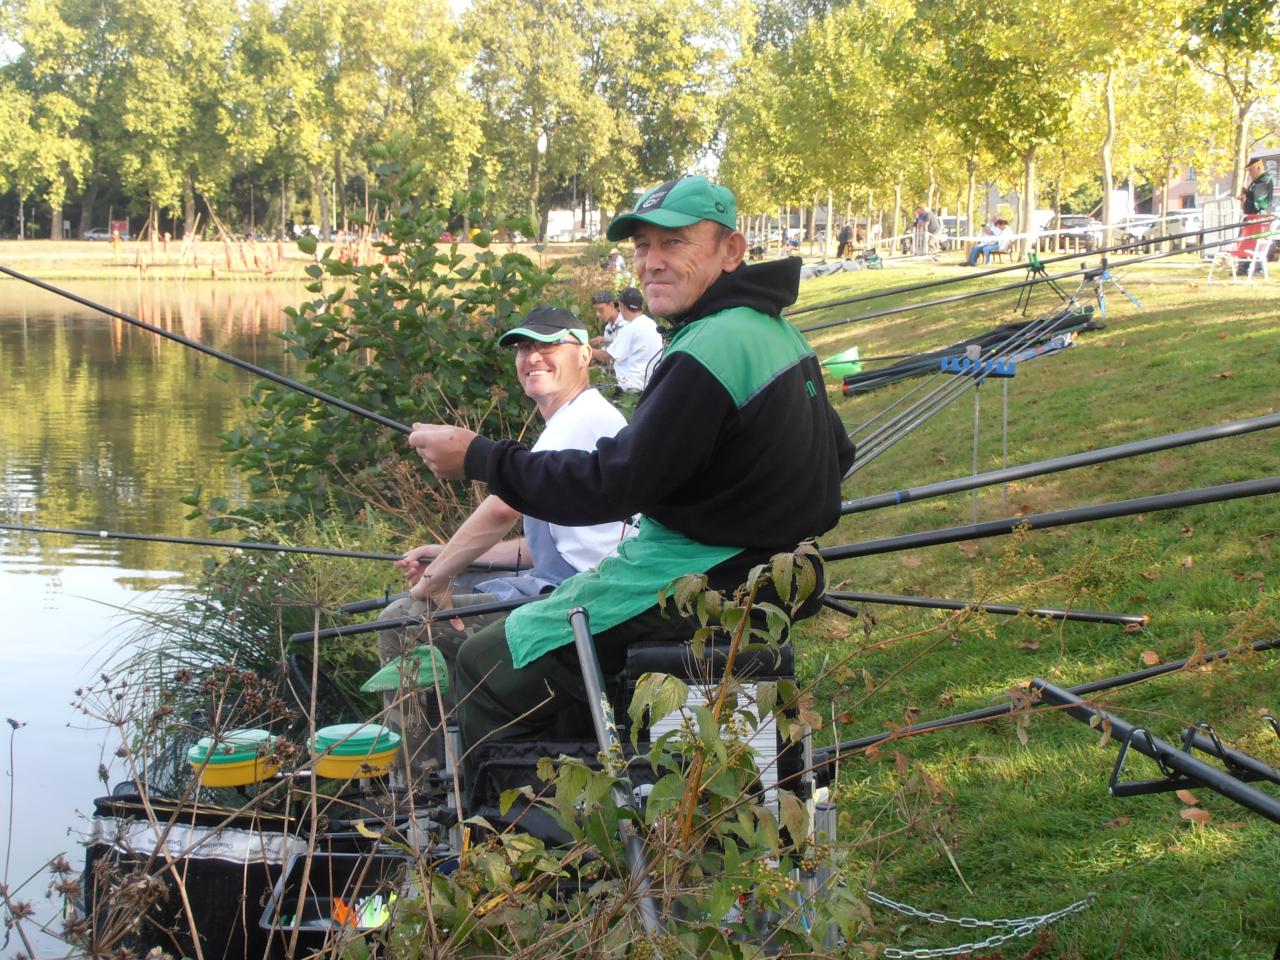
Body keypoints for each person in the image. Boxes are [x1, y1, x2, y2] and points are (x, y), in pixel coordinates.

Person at [407, 175, 856, 768]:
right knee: (548, 641)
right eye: (644, 246)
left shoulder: (708, 347)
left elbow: (612, 485)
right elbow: (840, 453)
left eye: (674, 243)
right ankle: (603, 787)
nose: (652, 263)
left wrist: (480, 458)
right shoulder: (774, 330)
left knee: (486, 663)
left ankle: (526, 840)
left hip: (699, 578)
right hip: (774, 572)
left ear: (731, 250)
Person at [379, 306, 634, 782]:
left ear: (584, 354)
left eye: (547, 345)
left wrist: (437, 578)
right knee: (456, 592)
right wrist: (448, 552)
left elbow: (502, 508)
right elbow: (541, 547)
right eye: (523, 348)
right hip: (569, 585)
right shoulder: (578, 417)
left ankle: (420, 783)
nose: (532, 357)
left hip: (585, 605)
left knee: (404, 622)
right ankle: (460, 752)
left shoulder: (577, 422)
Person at [590, 286, 663, 395]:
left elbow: (606, 356)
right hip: (649, 383)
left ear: (622, 306)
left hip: (631, 387)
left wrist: (584, 349)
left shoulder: (630, 328)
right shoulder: (650, 323)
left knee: (590, 392)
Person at [1230, 156, 1274, 267]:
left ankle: (1254, 267)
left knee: (1255, 243)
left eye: (1251, 170)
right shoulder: (1256, 182)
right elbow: (1252, 195)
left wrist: (1246, 199)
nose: (1249, 173)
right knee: (1246, 242)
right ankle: (1243, 266)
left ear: (1259, 168)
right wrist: (1246, 194)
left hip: (1259, 218)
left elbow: (1258, 200)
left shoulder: (1265, 180)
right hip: (1252, 218)